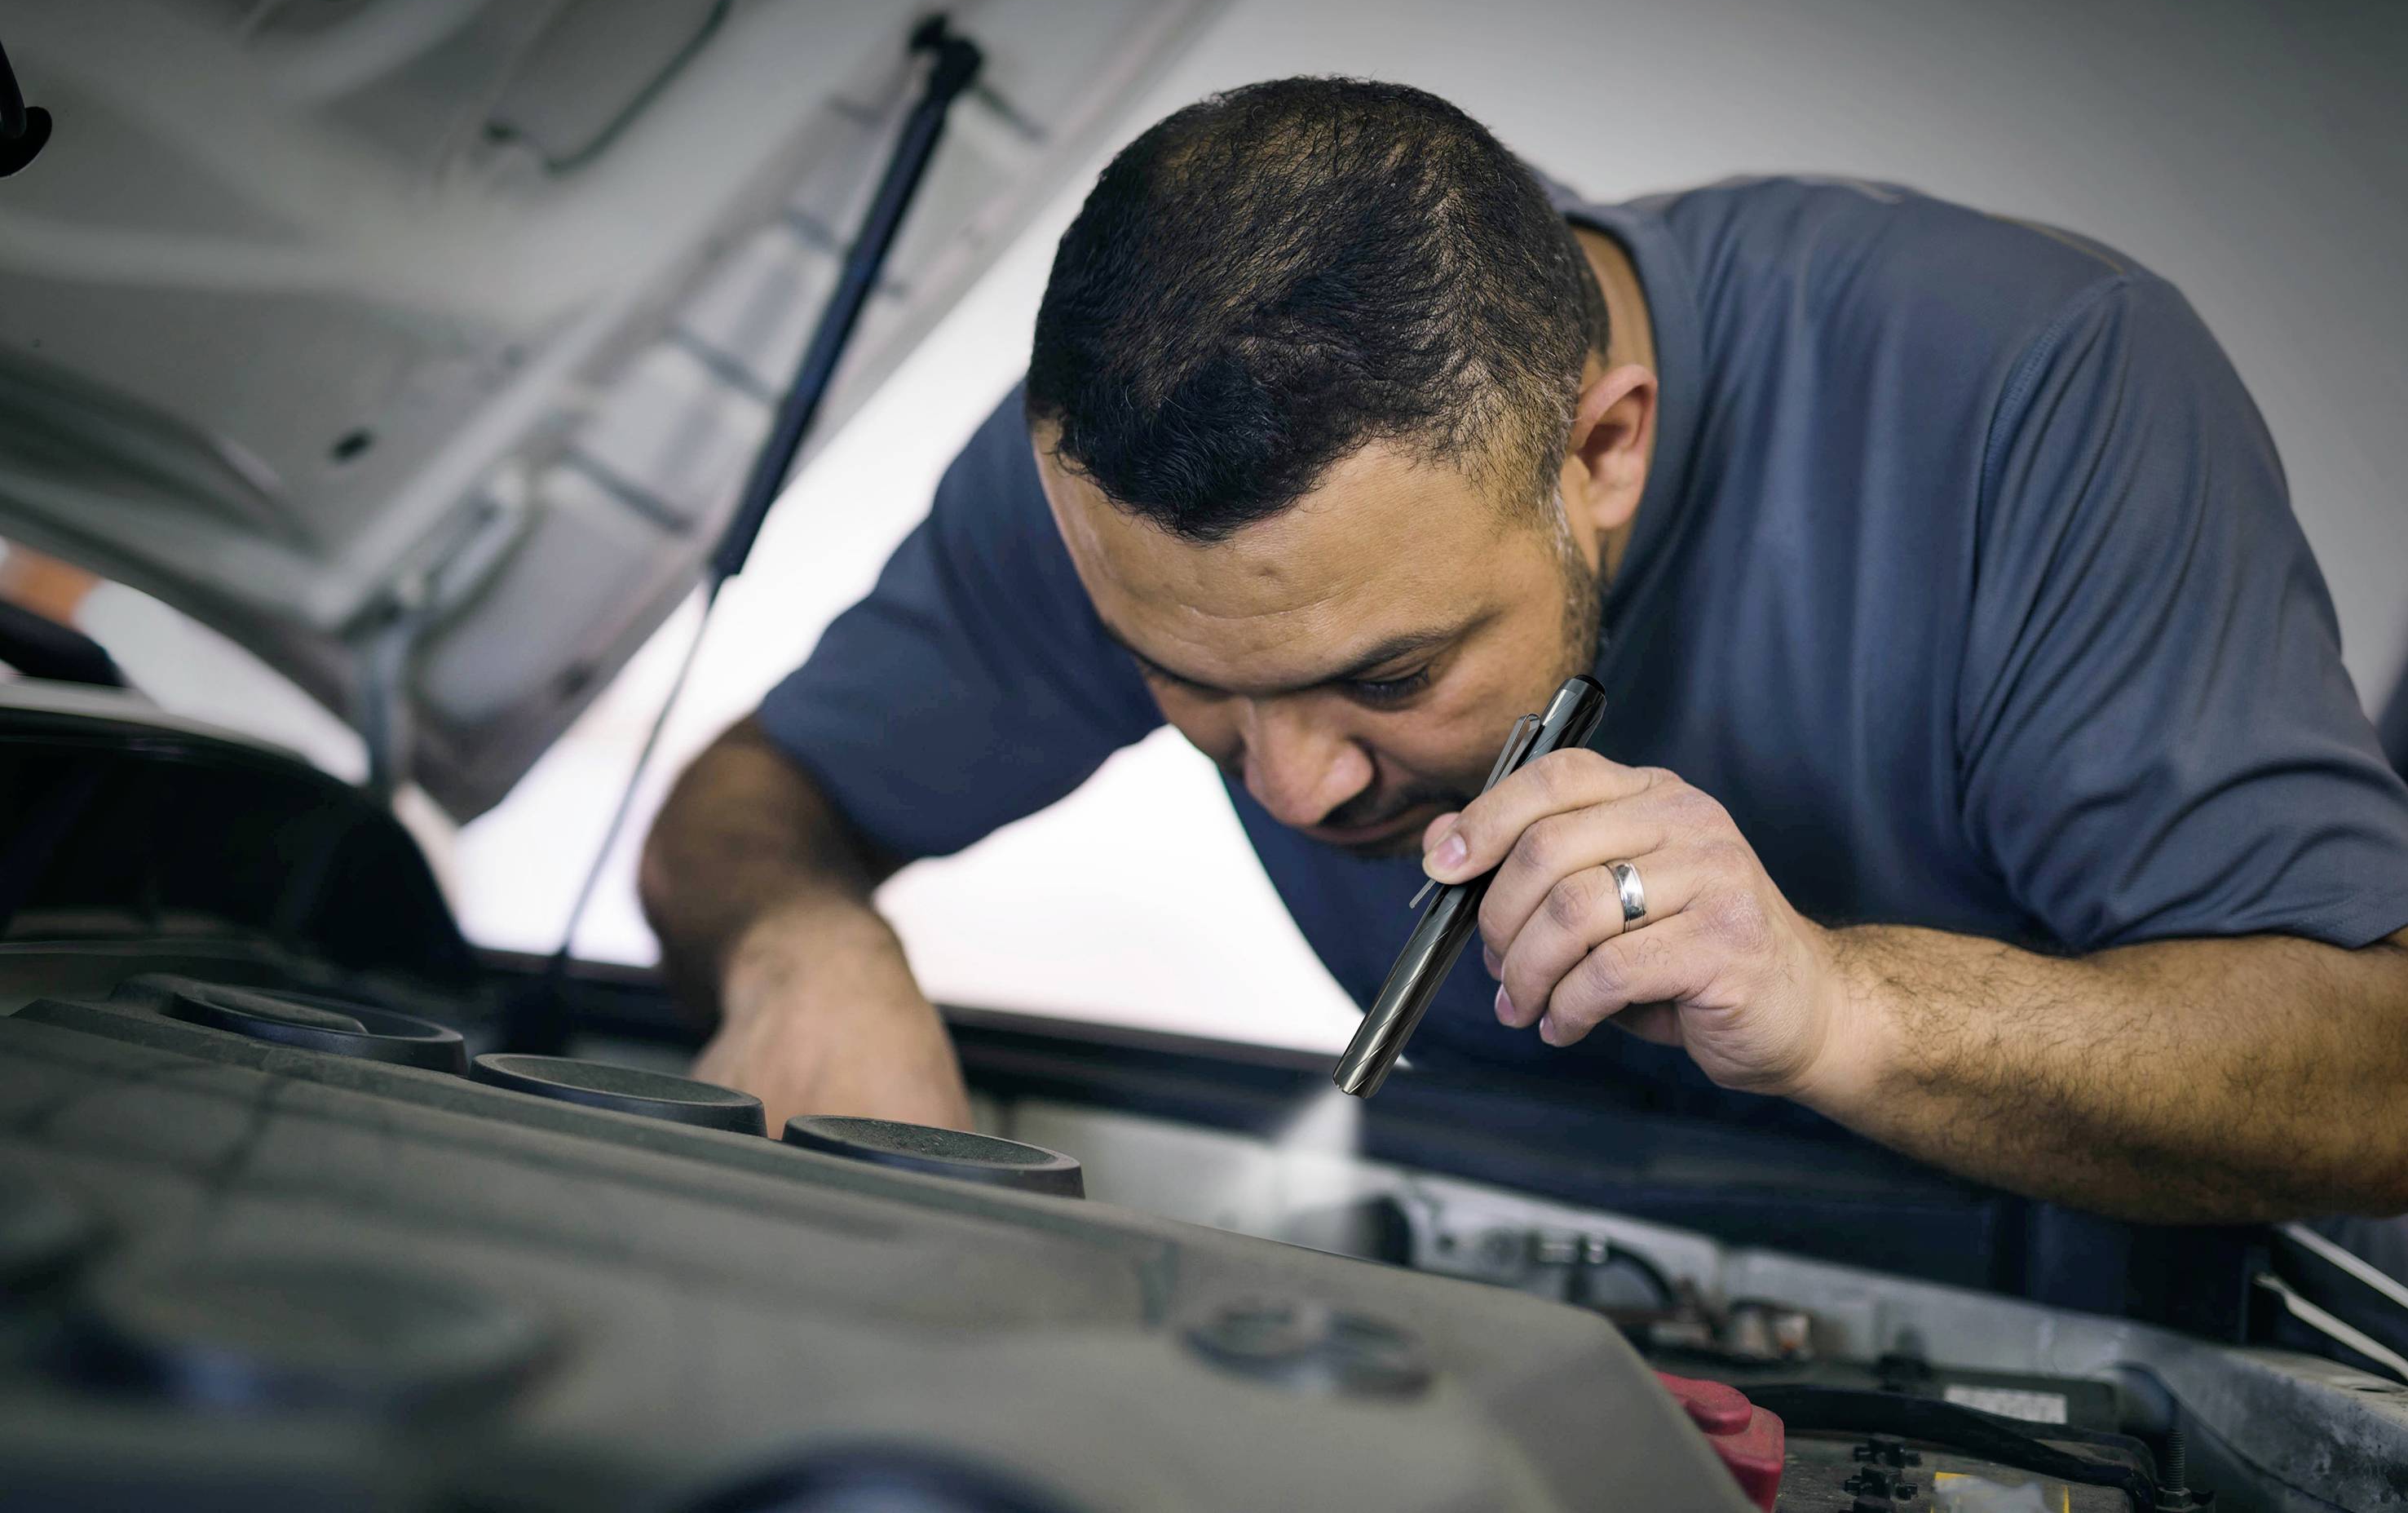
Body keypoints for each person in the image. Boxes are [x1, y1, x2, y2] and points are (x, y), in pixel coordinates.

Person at [641, 77, 2408, 1224]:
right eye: (1188, 685)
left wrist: (1833, 1000)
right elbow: (743, 808)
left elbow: (2372, 1068)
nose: (1298, 782)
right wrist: (803, 941)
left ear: (1603, 445)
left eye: (1387, 676)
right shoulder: (1120, 470)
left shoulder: (2037, 393)